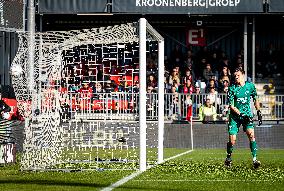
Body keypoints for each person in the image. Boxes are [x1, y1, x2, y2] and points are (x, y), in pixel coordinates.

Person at [224, 67, 262, 169]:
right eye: (235, 76)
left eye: (238, 75)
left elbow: (255, 98)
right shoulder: (232, 88)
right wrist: (240, 114)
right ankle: (228, 158)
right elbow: (231, 106)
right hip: (235, 117)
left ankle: (255, 160)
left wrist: (258, 111)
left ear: (243, 75)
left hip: (247, 115)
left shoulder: (250, 86)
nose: (236, 77)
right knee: (232, 140)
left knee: (251, 135)